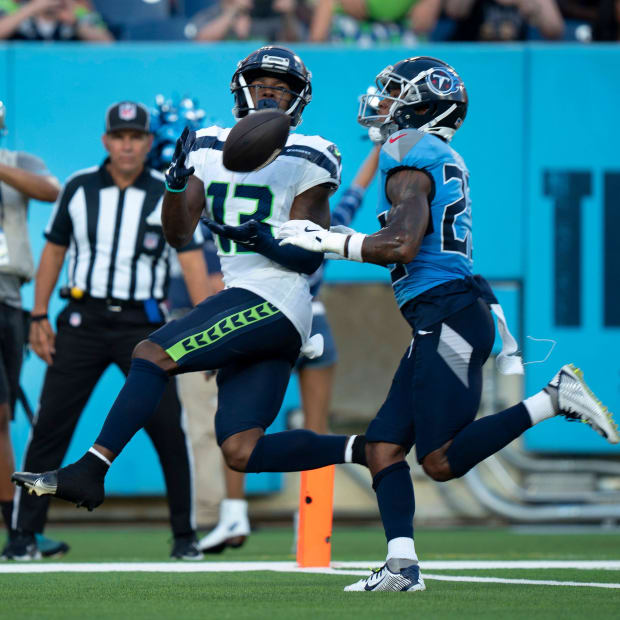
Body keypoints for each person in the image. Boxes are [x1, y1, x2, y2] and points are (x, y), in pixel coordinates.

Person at [279, 55, 619, 592]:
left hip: (451, 317)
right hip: (443, 316)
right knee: (384, 447)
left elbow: (402, 243)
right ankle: (402, 566)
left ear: (422, 105)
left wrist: (330, 242)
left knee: (439, 459)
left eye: (393, 94)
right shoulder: (431, 154)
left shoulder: (409, 154)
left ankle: (553, 398)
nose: (381, 103)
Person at [11, 46, 369, 523]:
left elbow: (306, 259)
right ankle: (369, 448)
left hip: (276, 297)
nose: (269, 94)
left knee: (150, 353)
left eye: (281, 89)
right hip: (248, 301)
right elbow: (179, 234)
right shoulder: (205, 145)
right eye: (261, 84)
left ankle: (91, 468)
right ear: (240, 88)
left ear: (297, 101)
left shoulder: (313, 153)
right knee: (241, 449)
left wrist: (262, 238)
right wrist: (176, 186)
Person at [6, 101, 210, 561]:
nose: (127, 145)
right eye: (119, 137)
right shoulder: (78, 187)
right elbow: (54, 252)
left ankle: (185, 536)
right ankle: (23, 537)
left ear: (146, 142)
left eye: (136, 137)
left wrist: (207, 331)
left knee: (167, 430)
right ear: (106, 141)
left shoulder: (167, 190)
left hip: (143, 327)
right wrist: (39, 315)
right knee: (51, 425)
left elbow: (192, 263)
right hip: (82, 319)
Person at [197, 144, 381, 554]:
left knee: (237, 426)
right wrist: (377, 146)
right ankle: (312, 524)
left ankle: (233, 514)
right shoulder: (326, 220)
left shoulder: (247, 218)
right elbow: (358, 188)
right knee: (315, 427)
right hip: (312, 320)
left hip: (259, 319)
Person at [0, 100, 63, 560]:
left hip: (8, 299)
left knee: (2, 418)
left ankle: (17, 532)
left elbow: (49, 189)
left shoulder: (16, 162)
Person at [0, 0, 113, 42]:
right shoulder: (15, 10)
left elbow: (106, 42)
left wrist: (75, 22)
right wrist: (33, 8)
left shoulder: (79, 13)